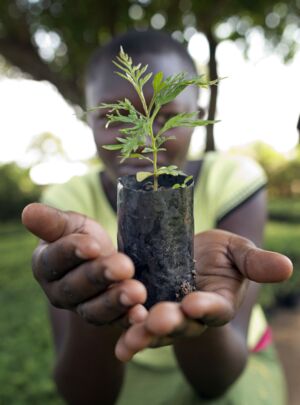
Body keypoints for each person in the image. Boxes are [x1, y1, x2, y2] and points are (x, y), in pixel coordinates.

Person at [22, 30, 293, 405]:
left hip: (233, 365)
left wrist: (199, 313)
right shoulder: (67, 200)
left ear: (197, 116)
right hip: (129, 370)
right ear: (88, 119)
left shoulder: (233, 180)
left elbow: (218, 381)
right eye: (116, 116)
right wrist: (97, 302)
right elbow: (83, 394)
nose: (148, 140)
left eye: (166, 117)